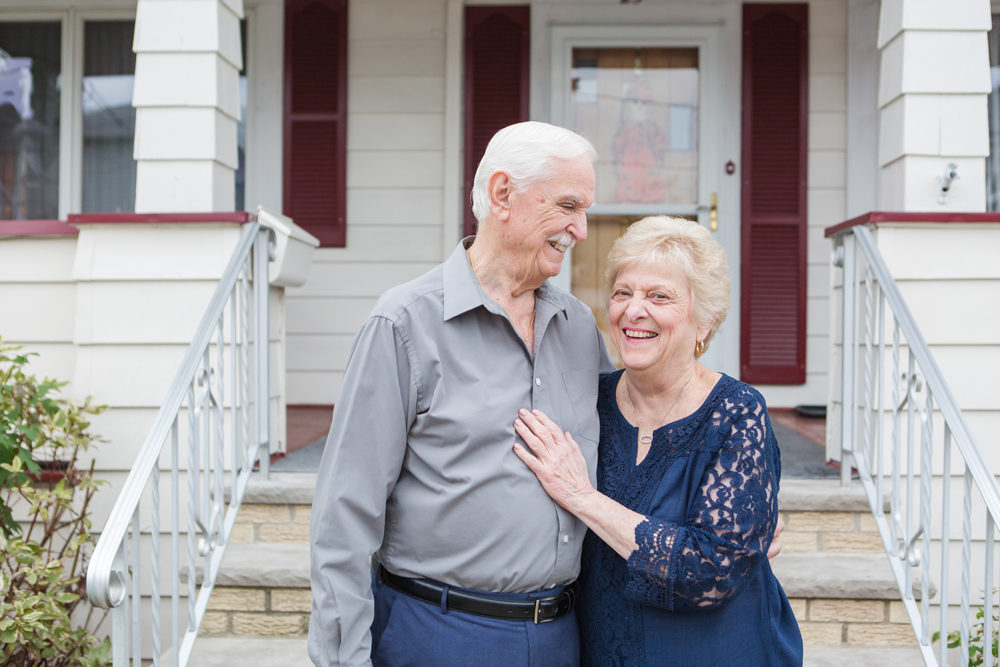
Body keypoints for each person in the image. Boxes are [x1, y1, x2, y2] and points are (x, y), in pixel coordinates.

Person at [308, 121, 615, 666]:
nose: (582, 229)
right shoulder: (403, 324)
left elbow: (632, 453)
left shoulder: (579, 328)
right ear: (502, 194)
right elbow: (344, 517)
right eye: (569, 205)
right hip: (438, 635)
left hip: (562, 638)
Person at [513, 215, 803, 665]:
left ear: (704, 320)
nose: (633, 310)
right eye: (622, 293)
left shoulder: (737, 412)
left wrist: (582, 497)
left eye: (658, 296)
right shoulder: (594, 402)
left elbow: (710, 569)